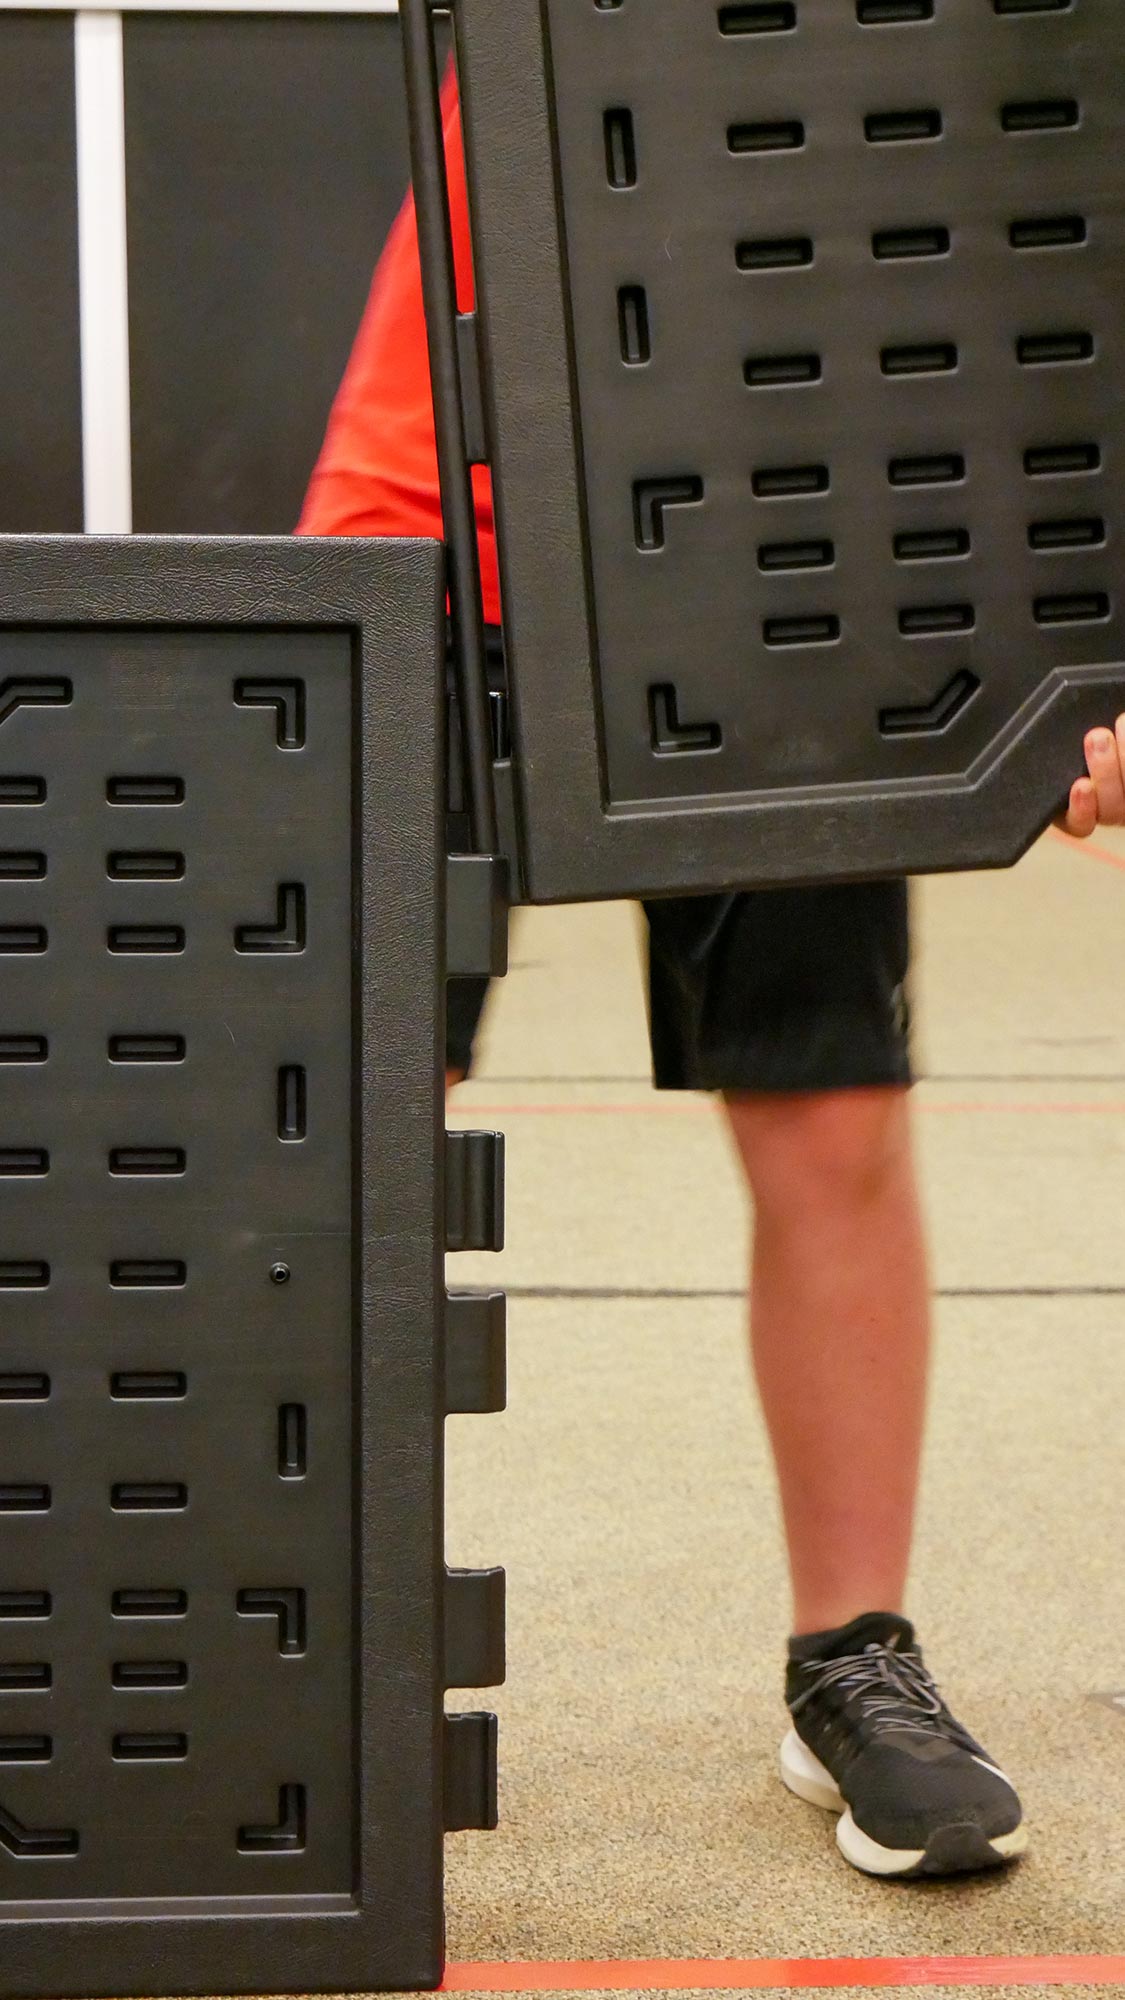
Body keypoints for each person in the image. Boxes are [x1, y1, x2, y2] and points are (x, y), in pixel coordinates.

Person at [299, 72, 1125, 1881]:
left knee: (830, 1119)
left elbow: (1024, 285)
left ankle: (852, 1664)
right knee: (335, 1118)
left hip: (781, 561)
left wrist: (1074, 654)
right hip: (429, 545)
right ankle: (241, 1655)